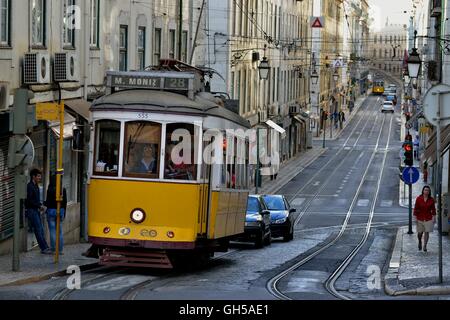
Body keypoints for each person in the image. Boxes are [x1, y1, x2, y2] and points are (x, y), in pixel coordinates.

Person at [26, 168, 51, 254]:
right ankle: (44, 248)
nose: (40, 178)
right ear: (33, 176)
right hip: (31, 210)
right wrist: (39, 205)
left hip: (35, 210)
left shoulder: (36, 186)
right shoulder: (30, 186)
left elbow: (35, 200)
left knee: (40, 229)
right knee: (38, 229)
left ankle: (45, 247)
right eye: (38, 176)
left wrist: (40, 205)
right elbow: (29, 200)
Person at [44, 175, 67, 254]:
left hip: (51, 211)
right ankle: (60, 249)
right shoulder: (62, 189)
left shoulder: (49, 190)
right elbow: (65, 203)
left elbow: (47, 202)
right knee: (59, 231)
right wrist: (64, 213)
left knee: (52, 230)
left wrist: (43, 204)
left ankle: (53, 249)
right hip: (60, 211)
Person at [413, 186, 436, 252]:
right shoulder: (419, 198)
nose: (426, 191)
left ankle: (425, 246)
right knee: (420, 233)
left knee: (427, 232)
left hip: (428, 218)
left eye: (428, 190)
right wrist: (415, 217)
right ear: (423, 191)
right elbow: (416, 208)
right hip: (420, 218)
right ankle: (420, 241)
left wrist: (434, 218)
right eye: (425, 190)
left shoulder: (431, 200)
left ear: (429, 192)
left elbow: (433, 210)